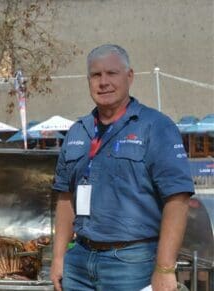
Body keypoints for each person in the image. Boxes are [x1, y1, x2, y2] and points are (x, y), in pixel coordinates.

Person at [49, 44, 194, 291]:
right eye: (96, 75)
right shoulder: (78, 131)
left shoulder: (155, 127)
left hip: (132, 263)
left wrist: (165, 268)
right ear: (88, 81)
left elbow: (177, 199)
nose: (103, 82)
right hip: (80, 262)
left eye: (111, 73)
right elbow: (65, 197)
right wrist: (59, 257)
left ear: (129, 77)